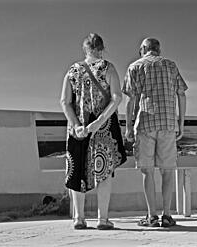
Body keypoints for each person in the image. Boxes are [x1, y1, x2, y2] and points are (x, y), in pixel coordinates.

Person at [60, 33, 126, 230]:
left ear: (85, 49)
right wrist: (99, 122)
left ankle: (79, 218)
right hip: (103, 127)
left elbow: (65, 101)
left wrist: (76, 124)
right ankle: (102, 219)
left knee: (76, 169)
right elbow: (116, 97)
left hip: (77, 127)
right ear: (102, 48)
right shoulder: (108, 68)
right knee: (103, 171)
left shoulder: (73, 70)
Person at [122, 37, 188, 227]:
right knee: (167, 171)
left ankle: (151, 216)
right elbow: (181, 94)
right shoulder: (171, 65)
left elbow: (130, 99)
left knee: (147, 170)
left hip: (145, 124)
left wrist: (128, 127)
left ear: (143, 49)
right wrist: (180, 123)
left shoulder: (134, 67)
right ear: (158, 50)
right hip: (168, 123)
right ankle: (167, 216)